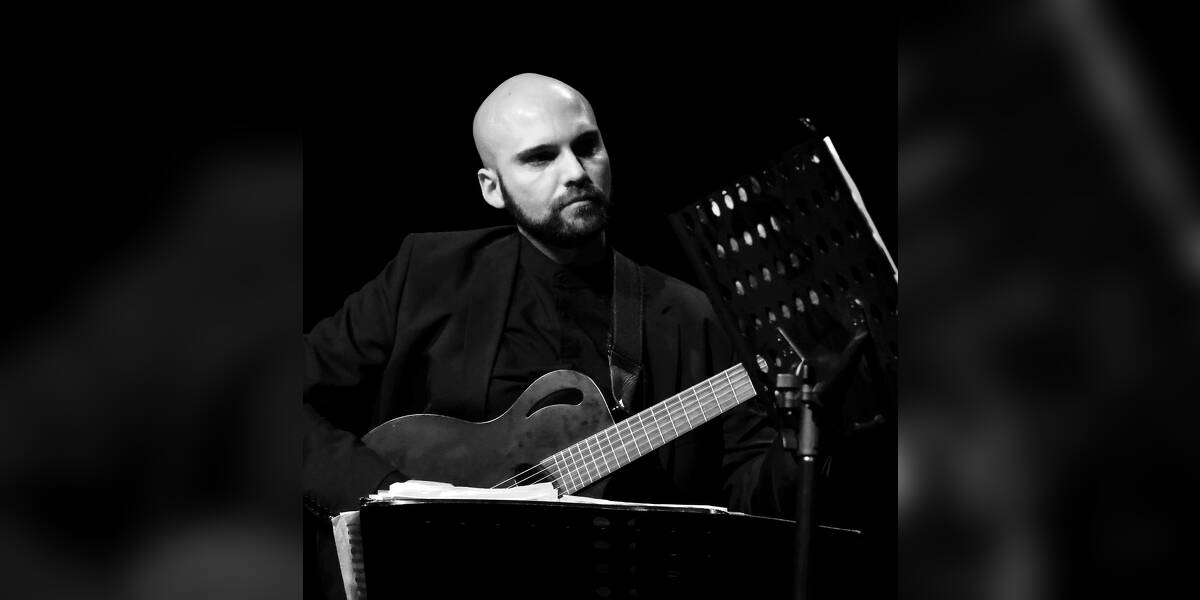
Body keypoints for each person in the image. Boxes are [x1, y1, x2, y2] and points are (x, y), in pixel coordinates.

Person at [303, 73, 799, 598]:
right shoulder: (427, 274)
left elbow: (751, 499)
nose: (576, 172)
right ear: (492, 188)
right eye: (540, 158)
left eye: (587, 146)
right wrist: (391, 500)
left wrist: (805, 435)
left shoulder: (692, 317)